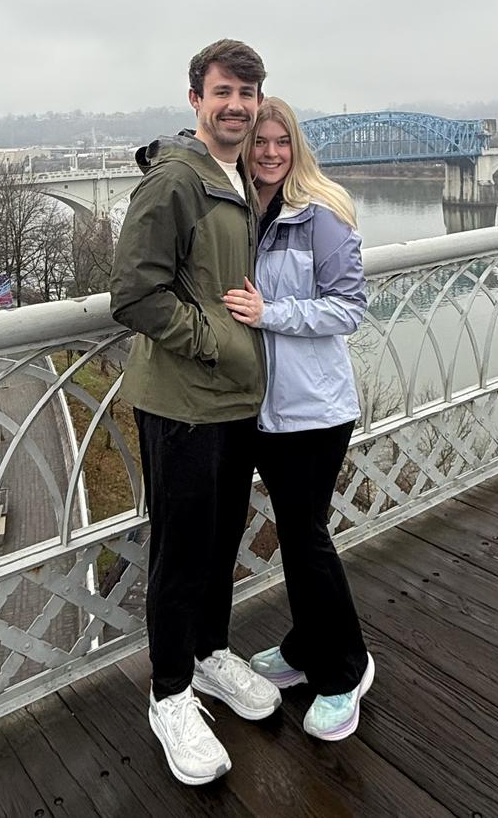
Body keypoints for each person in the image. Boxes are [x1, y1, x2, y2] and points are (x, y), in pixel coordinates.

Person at [109, 39, 281, 786]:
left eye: (248, 92)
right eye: (223, 91)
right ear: (196, 99)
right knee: (180, 553)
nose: (237, 105)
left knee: (218, 542)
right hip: (182, 401)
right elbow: (134, 293)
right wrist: (213, 337)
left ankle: (210, 655)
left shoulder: (235, 177)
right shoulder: (175, 180)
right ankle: (170, 692)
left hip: (234, 400)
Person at [223, 97, 374, 742]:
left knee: (307, 538)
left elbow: (349, 309)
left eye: (281, 141)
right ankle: (305, 646)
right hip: (262, 409)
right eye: (260, 141)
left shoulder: (322, 217)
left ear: (297, 147)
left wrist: (272, 313)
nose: (270, 152)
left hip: (315, 409)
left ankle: (344, 670)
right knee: (295, 533)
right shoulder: (244, 216)